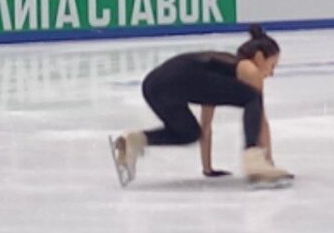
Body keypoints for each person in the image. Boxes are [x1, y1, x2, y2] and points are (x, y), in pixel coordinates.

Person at [112, 26, 292, 186]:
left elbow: (206, 126)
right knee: (252, 98)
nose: (272, 73)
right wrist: (266, 163)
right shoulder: (248, 69)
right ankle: (254, 159)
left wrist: (208, 168)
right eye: (272, 65)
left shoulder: (215, 76)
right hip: (176, 79)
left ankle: (133, 140)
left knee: (190, 133)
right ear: (259, 57)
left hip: (154, 85)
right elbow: (260, 119)